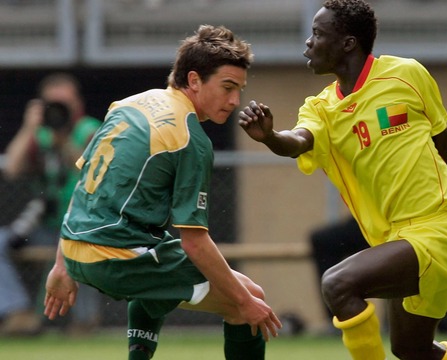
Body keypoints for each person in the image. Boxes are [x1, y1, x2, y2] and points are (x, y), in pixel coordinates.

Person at [239, 1, 447, 359]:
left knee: (338, 284)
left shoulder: (407, 75)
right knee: (411, 350)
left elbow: (446, 144)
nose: (308, 43)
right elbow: (298, 141)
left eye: (318, 34)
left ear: (348, 43)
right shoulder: (320, 108)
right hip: (396, 240)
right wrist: (271, 138)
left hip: (440, 228)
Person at [42, 25, 282, 360]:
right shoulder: (189, 138)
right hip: (117, 258)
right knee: (249, 298)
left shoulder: (129, 105)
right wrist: (244, 303)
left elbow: (84, 190)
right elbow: (194, 243)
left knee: (158, 257)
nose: (235, 101)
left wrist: (63, 265)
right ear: (194, 80)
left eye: (239, 90)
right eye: (228, 87)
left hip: (79, 250)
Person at [1, 72, 102, 336]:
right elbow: (11, 167)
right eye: (52, 105)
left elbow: (95, 174)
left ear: (77, 104)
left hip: (85, 223)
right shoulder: (40, 134)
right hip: (45, 225)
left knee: (82, 247)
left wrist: (65, 142)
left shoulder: (90, 129)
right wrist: (29, 127)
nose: (58, 111)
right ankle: (18, 312)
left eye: (63, 105)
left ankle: (85, 322)